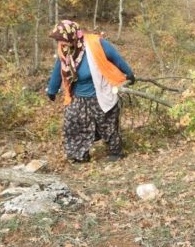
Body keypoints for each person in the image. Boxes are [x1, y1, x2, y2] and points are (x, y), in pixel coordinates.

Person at [46, 20, 135, 163]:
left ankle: (115, 153)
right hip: (78, 96)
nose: (60, 43)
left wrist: (129, 74)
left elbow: (116, 58)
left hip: (100, 92)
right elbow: (59, 68)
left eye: (62, 39)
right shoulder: (65, 50)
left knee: (108, 123)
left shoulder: (96, 43)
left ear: (71, 36)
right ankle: (78, 156)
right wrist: (52, 89)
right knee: (73, 124)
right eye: (59, 40)